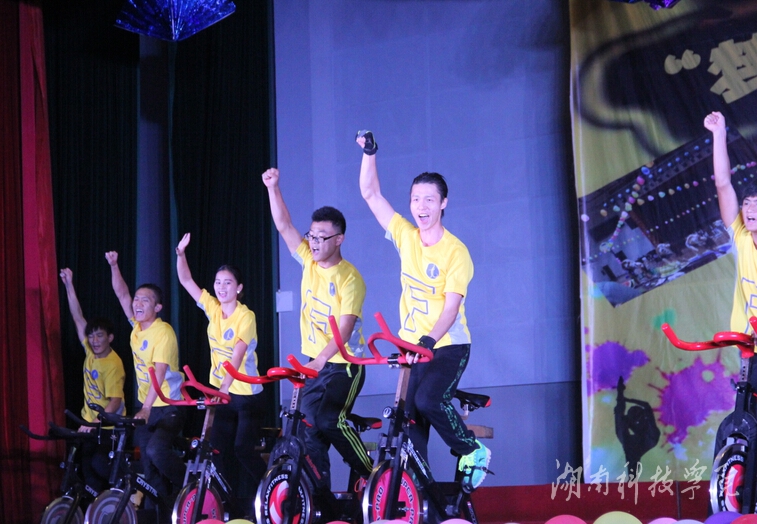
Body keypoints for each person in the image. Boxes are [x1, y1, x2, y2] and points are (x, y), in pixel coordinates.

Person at [355, 130, 490, 491]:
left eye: (429, 199)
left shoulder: (456, 251)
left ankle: (471, 449)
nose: (421, 206)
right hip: (413, 347)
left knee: (428, 399)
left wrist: (429, 340)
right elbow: (370, 194)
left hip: (448, 344)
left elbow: (451, 307)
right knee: (407, 419)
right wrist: (370, 153)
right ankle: (419, 490)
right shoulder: (405, 236)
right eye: (416, 199)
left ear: (443, 203)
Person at [261, 167, 373, 491]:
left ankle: (371, 472)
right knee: (308, 431)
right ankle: (321, 497)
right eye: (311, 236)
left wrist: (320, 360)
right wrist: (273, 187)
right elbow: (284, 225)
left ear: (339, 240)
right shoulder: (309, 261)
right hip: (314, 366)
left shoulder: (350, 278)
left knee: (327, 419)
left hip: (345, 366)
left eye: (321, 237)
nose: (313, 242)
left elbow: (345, 328)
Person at [175, 233, 266, 513]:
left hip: (245, 394)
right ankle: (230, 506)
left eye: (228, 283)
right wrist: (181, 254)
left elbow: (237, 356)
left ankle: (268, 490)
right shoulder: (213, 309)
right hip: (222, 394)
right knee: (214, 451)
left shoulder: (246, 316)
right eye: (218, 282)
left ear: (239, 288)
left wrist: (225, 387)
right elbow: (186, 281)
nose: (221, 287)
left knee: (242, 449)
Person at [106, 251, 185, 519]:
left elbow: (159, 374)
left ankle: (188, 485)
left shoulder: (163, 332)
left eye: (145, 300)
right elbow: (122, 294)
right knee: (147, 466)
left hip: (169, 405)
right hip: (147, 405)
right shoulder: (137, 328)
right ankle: (166, 508)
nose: (138, 303)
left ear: (158, 307)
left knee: (156, 450)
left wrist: (147, 409)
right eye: (137, 299)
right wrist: (114, 265)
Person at [59, 268, 126, 494]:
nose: (94, 340)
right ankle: (95, 509)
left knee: (100, 465)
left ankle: (127, 489)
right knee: (87, 474)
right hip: (89, 425)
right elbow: (78, 317)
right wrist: (69, 284)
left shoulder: (113, 364)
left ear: (110, 338)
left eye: (100, 336)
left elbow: (115, 401)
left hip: (108, 427)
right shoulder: (90, 351)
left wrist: (95, 422)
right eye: (91, 335)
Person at [705, 111, 757, 335]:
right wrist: (719, 134)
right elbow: (723, 184)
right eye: (747, 203)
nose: (751, 209)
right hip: (747, 344)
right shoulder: (741, 235)